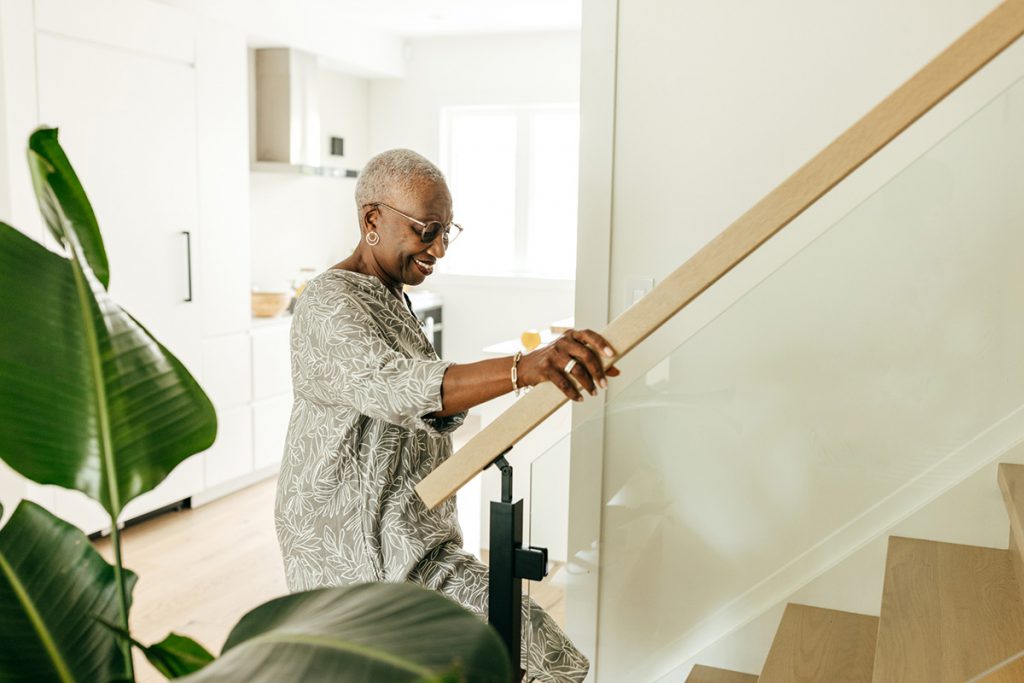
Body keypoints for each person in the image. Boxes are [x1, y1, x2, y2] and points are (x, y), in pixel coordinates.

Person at [274, 149, 619, 682]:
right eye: (426, 230)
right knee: (538, 660)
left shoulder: (390, 296)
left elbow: (422, 411)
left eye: (446, 231)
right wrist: (523, 368)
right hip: (359, 553)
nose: (438, 249)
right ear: (372, 221)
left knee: (545, 658)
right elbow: (396, 386)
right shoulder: (328, 300)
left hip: (417, 539)